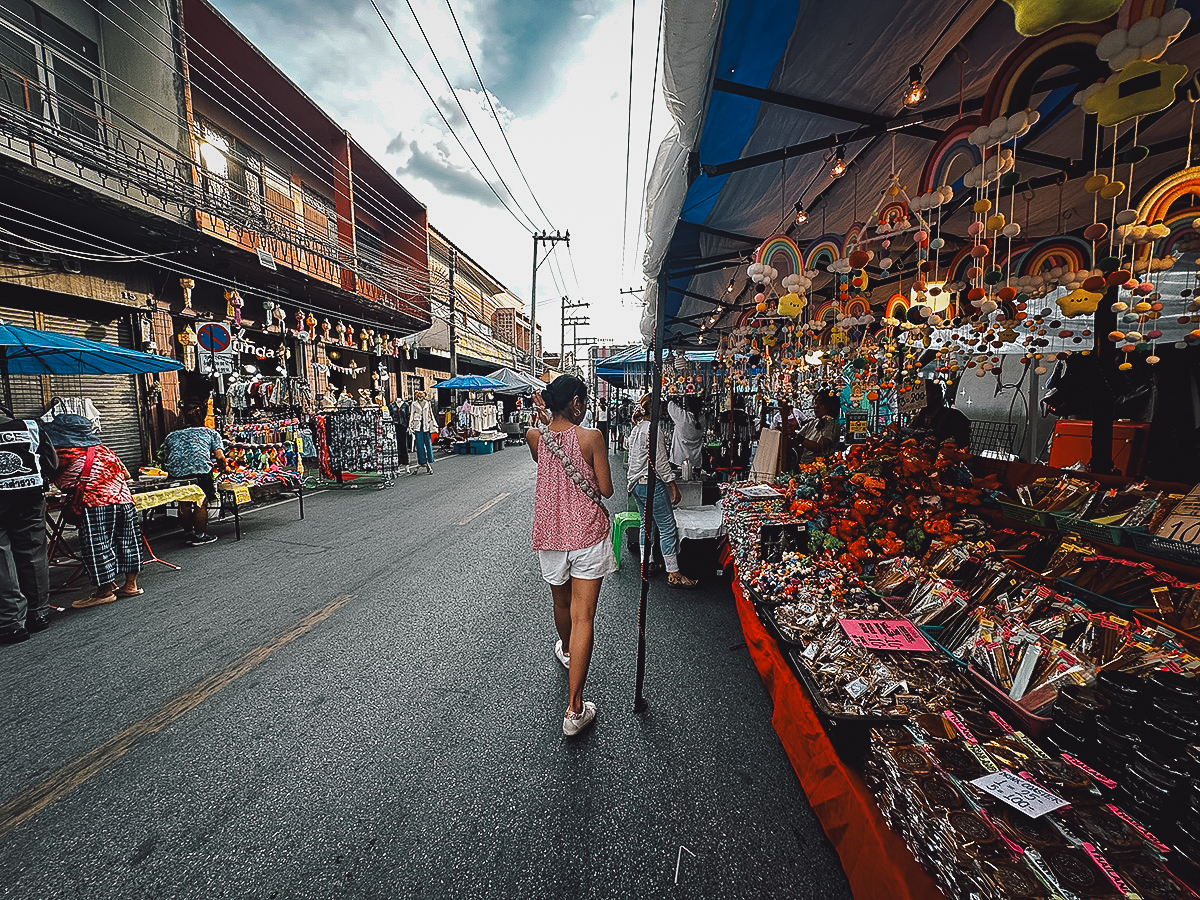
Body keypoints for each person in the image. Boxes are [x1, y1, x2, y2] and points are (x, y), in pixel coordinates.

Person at [526, 375, 614, 738]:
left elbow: (550, 439)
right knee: (584, 617)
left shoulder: (536, 437)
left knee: (561, 606)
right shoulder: (591, 438)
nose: (587, 406)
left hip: (550, 536)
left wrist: (546, 415)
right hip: (587, 536)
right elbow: (607, 490)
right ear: (576, 402)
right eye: (585, 401)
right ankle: (575, 708)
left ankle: (566, 652)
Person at [46, 415, 142, 608]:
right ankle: (130, 585)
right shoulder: (104, 450)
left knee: (96, 545)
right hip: (124, 500)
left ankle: (104, 592)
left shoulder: (63, 452)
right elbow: (126, 474)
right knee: (128, 541)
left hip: (95, 503)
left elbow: (45, 474)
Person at [627, 395, 699, 588]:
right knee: (667, 526)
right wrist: (672, 485)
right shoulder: (652, 429)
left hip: (636, 483)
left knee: (646, 523)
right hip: (649, 483)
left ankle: (647, 563)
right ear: (654, 408)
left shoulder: (637, 429)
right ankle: (673, 573)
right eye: (660, 406)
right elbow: (659, 462)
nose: (662, 410)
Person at [0, 413, 56, 644]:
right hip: (30, 496)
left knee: (2, 555)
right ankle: (38, 612)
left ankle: (11, 622)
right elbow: (51, 463)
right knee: (33, 551)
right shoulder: (30, 425)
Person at [159, 402, 228, 545]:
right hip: (200, 472)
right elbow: (220, 457)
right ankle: (200, 536)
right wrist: (224, 468)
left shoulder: (171, 435)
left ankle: (188, 534)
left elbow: (166, 457)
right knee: (200, 502)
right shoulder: (210, 433)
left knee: (184, 503)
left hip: (176, 474)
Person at [912, 380, 972, 449]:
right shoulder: (921, 415)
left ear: (936, 394)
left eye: (924, 394)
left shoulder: (954, 416)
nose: (920, 398)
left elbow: (962, 443)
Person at [795, 391, 841, 465]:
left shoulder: (831, 424)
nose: (816, 406)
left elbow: (819, 447)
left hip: (820, 467)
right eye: (815, 403)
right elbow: (796, 441)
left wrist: (798, 438)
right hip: (804, 465)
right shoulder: (813, 422)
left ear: (831, 406)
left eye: (821, 404)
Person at [667, 396, 704, 473]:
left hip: (678, 460)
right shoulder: (702, 420)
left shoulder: (683, 417)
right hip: (696, 462)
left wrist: (675, 396)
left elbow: (670, 405)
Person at [410, 389, 437, 474]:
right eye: (418, 395)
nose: (420, 397)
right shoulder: (414, 404)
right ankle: (422, 461)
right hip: (418, 426)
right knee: (419, 445)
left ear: (424, 396)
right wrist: (410, 426)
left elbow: (430, 413)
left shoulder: (427, 403)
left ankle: (429, 460)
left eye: (421, 395)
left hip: (426, 426)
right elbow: (411, 415)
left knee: (428, 445)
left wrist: (434, 423)